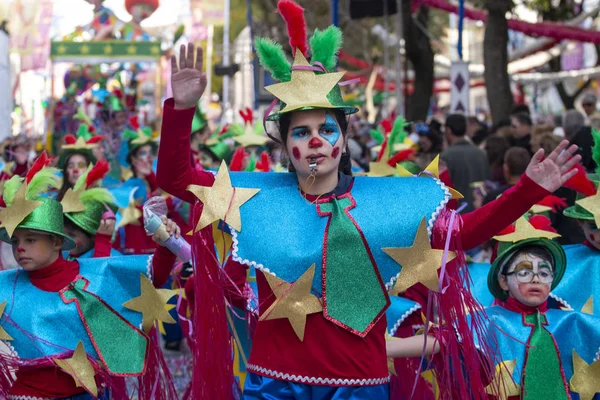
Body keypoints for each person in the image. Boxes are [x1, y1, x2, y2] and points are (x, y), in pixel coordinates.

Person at [157, 6, 580, 397]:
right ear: (285, 146)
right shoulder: (254, 197)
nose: (316, 139)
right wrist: (182, 109)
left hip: (361, 382)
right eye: (300, 132)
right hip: (277, 383)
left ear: (344, 139)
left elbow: (463, 235)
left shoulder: (389, 200)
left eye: (326, 128)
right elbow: (175, 178)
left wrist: (527, 190)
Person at [0, 154, 180, 399]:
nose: (19, 248)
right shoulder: (6, 284)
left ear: (56, 242)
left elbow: (154, 276)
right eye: (15, 241)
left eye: (30, 240)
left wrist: (166, 242)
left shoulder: (96, 273)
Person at [471, 217, 600, 400]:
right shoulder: (488, 320)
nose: (536, 278)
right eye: (524, 272)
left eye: (544, 273)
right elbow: (439, 341)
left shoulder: (572, 320)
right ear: (503, 281)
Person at [62, 160, 121, 259]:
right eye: (63, 233)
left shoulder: (113, 258)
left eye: (72, 235)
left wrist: (102, 242)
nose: (65, 240)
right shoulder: (62, 256)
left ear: (93, 237)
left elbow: (98, 272)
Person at [441, 114, 491, 212]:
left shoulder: (446, 157)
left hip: (457, 215)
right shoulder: (481, 153)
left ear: (448, 130)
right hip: (481, 212)